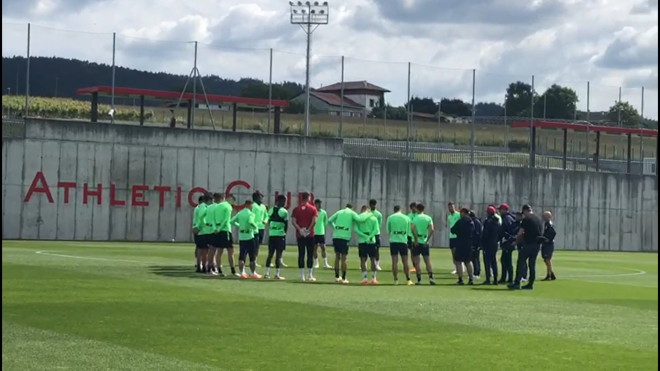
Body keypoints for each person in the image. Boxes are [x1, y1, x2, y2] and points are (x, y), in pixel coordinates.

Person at [328, 204, 367, 283]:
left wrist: (335, 227)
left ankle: (336, 276)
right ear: (352, 208)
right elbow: (360, 219)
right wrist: (367, 214)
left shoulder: (339, 212)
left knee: (337, 257)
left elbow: (329, 220)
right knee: (344, 258)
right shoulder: (351, 213)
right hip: (344, 237)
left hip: (336, 236)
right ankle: (343, 278)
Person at [508, 204, 544, 290]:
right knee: (532, 264)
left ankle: (517, 282)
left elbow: (520, 232)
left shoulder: (526, 219)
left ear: (525, 211)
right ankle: (530, 283)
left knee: (521, 261)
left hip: (529, 244)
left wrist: (516, 242)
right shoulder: (538, 219)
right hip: (537, 244)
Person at [291, 192, 318, 281]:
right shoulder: (313, 209)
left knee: (301, 253)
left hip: (300, 234)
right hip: (310, 234)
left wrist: (300, 229)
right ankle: (309, 275)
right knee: (310, 254)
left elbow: (294, 222)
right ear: (309, 198)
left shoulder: (296, 209)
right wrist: (308, 230)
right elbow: (314, 221)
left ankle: (301, 275)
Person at [231, 199, 261, 279]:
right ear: (249, 205)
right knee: (252, 256)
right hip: (249, 236)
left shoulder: (240, 213)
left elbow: (232, 221)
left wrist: (239, 226)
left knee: (242, 255)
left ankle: (242, 273)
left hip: (242, 237)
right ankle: (252, 273)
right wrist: (255, 227)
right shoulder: (251, 214)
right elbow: (251, 222)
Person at [210, 193, 238, 277]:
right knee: (230, 251)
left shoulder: (216, 206)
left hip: (217, 230)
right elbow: (226, 220)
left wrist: (215, 228)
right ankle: (233, 271)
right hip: (225, 230)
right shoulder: (228, 206)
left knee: (219, 251)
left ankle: (219, 270)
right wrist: (219, 229)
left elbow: (213, 219)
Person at [386, 205, 414, 285]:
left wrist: (392, 236)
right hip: (403, 241)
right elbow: (409, 231)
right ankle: (408, 279)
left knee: (394, 261)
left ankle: (396, 280)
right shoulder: (407, 218)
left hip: (394, 241)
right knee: (405, 261)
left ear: (394, 210)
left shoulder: (390, 217)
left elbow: (388, 230)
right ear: (401, 210)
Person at [264, 195, 289, 280]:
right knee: (278, 255)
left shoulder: (271, 210)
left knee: (270, 254)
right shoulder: (284, 212)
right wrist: (284, 233)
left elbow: (269, 221)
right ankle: (276, 274)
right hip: (280, 235)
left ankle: (266, 273)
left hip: (272, 235)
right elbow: (286, 225)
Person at [411, 203, 435, 285]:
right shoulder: (428, 218)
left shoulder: (415, 218)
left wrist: (415, 239)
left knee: (417, 262)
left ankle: (419, 280)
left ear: (417, 209)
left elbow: (412, 229)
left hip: (417, 241)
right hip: (425, 241)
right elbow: (432, 230)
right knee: (427, 261)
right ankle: (431, 278)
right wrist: (427, 239)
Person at [451, 208, 475, 285]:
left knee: (458, 261)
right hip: (469, 243)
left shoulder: (460, 222)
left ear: (463, 213)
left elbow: (452, 230)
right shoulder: (471, 221)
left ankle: (460, 279)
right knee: (468, 262)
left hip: (460, 243)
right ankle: (471, 279)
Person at [355, 205, 379, 284]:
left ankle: (364, 278)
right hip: (371, 240)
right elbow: (376, 230)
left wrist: (364, 236)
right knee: (373, 259)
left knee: (363, 259)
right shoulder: (373, 218)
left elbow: (356, 229)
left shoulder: (358, 217)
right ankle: (373, 278)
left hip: (362, 241)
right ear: (368, 210)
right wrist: (369, 236)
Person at [480, 206, 500, 285]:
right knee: (493, 261)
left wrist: (482, 243)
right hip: (494, 243)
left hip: (487, 244)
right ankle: (495, 279)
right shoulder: (497, 222)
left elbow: (485, 234)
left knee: (487, 262)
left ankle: (488, 278)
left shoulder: (487, 222)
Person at [205, 193, 223, 275]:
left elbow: (202, 217)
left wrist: (206, 224)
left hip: (208, 229)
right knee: (213, 250)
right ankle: (210, 268)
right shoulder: (218, 207)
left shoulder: (208, 207)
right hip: (214, 230)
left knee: (211, 250)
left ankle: (211, 267)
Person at [497, 203, 516, 284]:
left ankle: (508, 278)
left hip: (507, 242)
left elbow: (508, 231)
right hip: (507, 242)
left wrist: (505, 237)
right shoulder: (508, 218)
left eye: (500, 209)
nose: (499, 211)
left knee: (506, 261)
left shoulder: (506, 219)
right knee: (505, 260)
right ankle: (505, 277)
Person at [192, 194, 210, 273]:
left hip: (197, 229)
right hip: (203, 230)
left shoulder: (197, 207)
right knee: (205, 250)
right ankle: (203, 266)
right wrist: (203, 226)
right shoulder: (204, 207)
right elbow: (201, 218)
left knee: (199, 248)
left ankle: (199, 265)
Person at [313, 199, 332, 269]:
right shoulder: (313, 211)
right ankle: (316, 263)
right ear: (315, 204)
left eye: (320, 204)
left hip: (321, 232)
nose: (320, 205)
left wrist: (322, 227)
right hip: (314, 232)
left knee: (323, 247)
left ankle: (325, 263)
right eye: (318, 204)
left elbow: (325, 222)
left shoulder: (323, 212)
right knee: (314, 248)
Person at [251, 191, 268, 268]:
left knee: (258, 245)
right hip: (254, 228)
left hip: (261, 228)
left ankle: (255, 260)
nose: (261, 199)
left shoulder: (263, 207)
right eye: (260, 197)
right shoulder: (253, 206)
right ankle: (251, 260)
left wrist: (265, 220)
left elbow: (266, 216)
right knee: (253, 245)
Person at [447, 202, 463, 275]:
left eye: (452, 207)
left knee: (458, 253)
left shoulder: (458, 215)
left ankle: (461, 268)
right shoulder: (449, 217)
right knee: (453, 253)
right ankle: (456, 268)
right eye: (450, 207)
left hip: (458, 236)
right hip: (451, 236)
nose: (451, 208)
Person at [541, 211, 557, 281]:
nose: (543, 217)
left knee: (547, 259)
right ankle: (551, 273)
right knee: (546, 259)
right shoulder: (546, 224)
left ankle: (549, 275)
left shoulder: (549, 224)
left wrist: (548, 239)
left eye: (545, 216)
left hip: (548, 244)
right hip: (546, 244)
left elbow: (553, 233)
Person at [368, 199, 384, 271]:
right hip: (367, 233)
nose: (373, 206)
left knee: (376, 249)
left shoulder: (378, 214)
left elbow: (379, 225)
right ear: (370, 205)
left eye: (374, 204)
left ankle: (377, 264)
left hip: (376, 234)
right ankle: (364, 263)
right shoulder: (367, 213)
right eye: (372, 205)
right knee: (366, 248)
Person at [512, 212, 528, 282]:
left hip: (522, 243)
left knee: (523, 260)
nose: (516, 217)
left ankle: (524, 275)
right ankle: (521, 275)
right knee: (521, 260)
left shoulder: (523, 223)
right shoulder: (515, 223)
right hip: (519, 243)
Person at [469, 210, 482, 280]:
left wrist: (475, 243)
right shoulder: (476, 221)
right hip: (476, 243)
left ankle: (476, 273)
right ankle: (476, 272)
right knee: (475, 258)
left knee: (475, 258)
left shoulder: (475, 222)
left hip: (476, 243)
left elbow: (476, 233)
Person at [407, 202, 418, 273]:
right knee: (412, 252)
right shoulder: (408, 216)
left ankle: (417, 266)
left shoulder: (419, 215)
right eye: (413, 207)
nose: (414, 208)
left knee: (417, 253)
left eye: (415, 207)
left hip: (418, 236)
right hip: (410, 236)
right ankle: (415, 266)